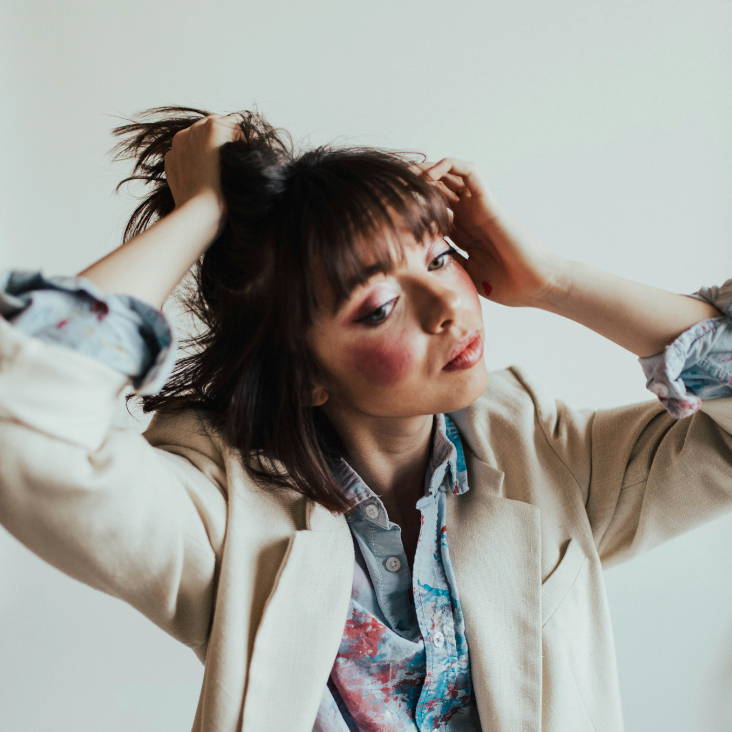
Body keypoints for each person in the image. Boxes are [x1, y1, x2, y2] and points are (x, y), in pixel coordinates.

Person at [0, 107, 730, 732]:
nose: (448, 307)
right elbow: (25, 415)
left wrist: (551, 282)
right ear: (304, 374)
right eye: (379, 307)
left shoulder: (539, 450)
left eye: (439, 258)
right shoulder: (221, 517)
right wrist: (202, 212)